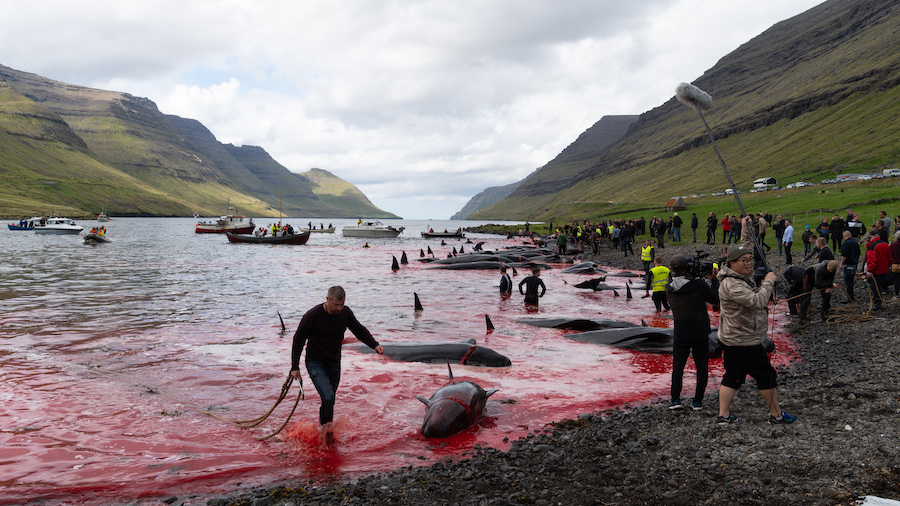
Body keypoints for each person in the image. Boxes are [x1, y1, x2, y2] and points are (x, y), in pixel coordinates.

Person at [290, 286, 385, 441]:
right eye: (336, 305)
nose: (339, 308)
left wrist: (374, 344)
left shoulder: (345, 313)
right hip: (315, 362)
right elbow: (298, 339)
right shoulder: (313, 315)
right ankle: (325, 431)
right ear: (327, 300)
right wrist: (295, 366)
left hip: (334, 363)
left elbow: (359, 330)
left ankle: (326, 434)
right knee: (327, 397)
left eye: (342, 304)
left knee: (331, 399)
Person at [716, 245, 796, 425]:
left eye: (750, 259)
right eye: (744, 260)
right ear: (732, 262)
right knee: (766, 376)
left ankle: (723, 416)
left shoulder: (738, 276)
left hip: (733, 338)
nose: (749, 264)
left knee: (733, 375)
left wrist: (745, 227)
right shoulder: (732, 284)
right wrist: (768, 281)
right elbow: (757, 301)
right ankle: (777, 416)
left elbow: (744, 243)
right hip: (744, 340)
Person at [665, 255, 719, 411]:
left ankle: (675, 399)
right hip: (699, 329)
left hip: (681, 330)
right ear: (687, 268)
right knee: (701, 366)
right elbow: (715, 299)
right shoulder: (699, 285)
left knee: (678, 366)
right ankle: (697, 401)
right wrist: (713, 281)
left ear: (672, 269)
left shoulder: (668, 288)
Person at [863, 230, 891, 309]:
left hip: (876, 270)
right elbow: (889, 258)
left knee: (875, 286)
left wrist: (869, 270)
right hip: (884, 269)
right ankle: (879, 301)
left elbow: (872, 260)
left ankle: (877, 303)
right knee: (880, 285)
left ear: (871, 236)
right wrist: (888, 265)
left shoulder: (872, 246)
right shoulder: (885, 244)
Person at [839, 230, 860, 303]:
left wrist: (841, 263)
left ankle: (850, 298)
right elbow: (858, 254)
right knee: (851, 281)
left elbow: (844, 255)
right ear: (850, 235)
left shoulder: (845, 243)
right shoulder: (856, 243)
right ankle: (851, 297)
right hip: (854, 264)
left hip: (848, 265)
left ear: (844, 236)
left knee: (848, 282)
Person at [891, 231, 900, 297]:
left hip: (895, 264)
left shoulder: (893, 245)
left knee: (896, 279)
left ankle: (897, 293)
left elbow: (890, 254)